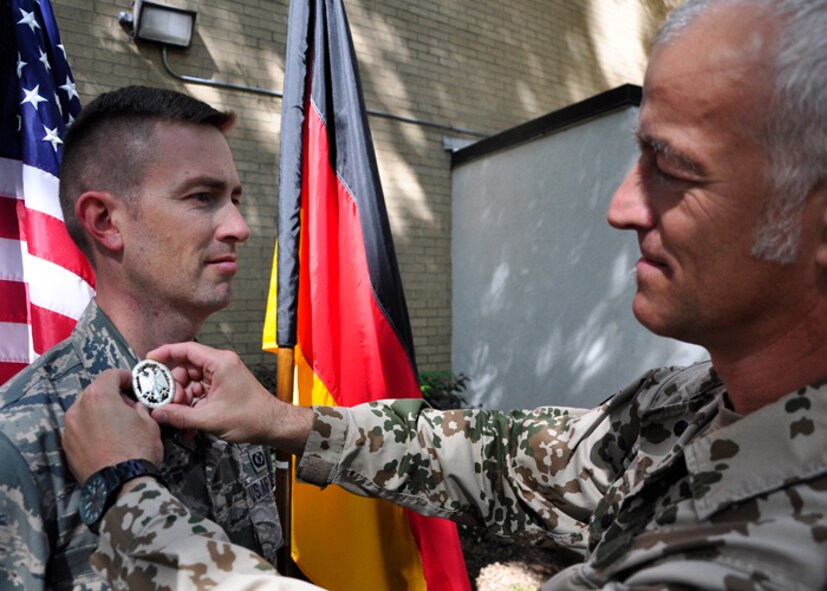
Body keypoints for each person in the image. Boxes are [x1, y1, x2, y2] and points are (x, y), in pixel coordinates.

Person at [64, 0, 827, 589]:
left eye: (676, 169)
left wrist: (126, 494)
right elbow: (514, 459)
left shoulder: (783, 544)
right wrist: (283, 419)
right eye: (203, 197)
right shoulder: (699, 402)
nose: (621, 206)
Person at [0, 86, 281, 590]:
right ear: (106, 222)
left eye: (235, 199)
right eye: (203, 197)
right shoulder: (19, 440)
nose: (239, 226)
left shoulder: (231, 403)